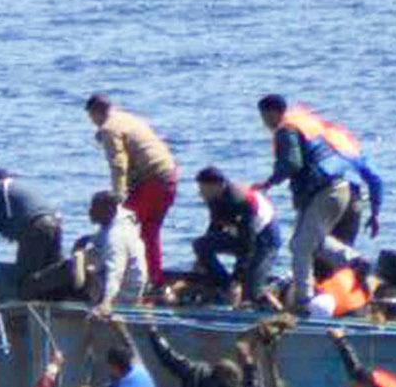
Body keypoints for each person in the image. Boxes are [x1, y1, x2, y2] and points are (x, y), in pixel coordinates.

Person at [256, 94, 382, 305]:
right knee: (312, 242)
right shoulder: (335, 143)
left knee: (301, 246)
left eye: (264, 117)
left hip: (327, 192)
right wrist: (375, 212)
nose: (264, 123)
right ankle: (353, 270)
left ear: (271, 113)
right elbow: (374, 177)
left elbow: (292, 164)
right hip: (349, 196)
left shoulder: (286, 131)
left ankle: (304, 301)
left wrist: (269, 182)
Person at [86, 93, 180, 282]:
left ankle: (123, 279)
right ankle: (154, 278)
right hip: (168, 177)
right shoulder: (128, 119)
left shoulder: (109, 128)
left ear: (95, 113)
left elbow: (119, 164)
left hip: (153, 181)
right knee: (149, 231)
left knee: (122, 225)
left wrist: (118, 196)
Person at [0, 167, 67, 302]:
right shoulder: (21, 187)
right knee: (52, 278)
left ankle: (25, 318)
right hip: (55, 224)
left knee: (26, 285)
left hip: (35, 227)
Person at [189, 170, 282, 306]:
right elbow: (215, 227)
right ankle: (224, 285)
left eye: (203, 189)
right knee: (201, 245)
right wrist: (201, 262)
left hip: (265, 238)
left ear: (217, 186)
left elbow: (247, 245)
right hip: (241, 235)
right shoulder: (213, 198)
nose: (201, 194)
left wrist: (237, 279)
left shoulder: (240, 201)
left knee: (252, 292)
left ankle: (268, 300)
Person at [75, 190, 148, 315]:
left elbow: (115, 271)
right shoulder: (119, 220)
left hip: (125, 288)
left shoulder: (116, 237)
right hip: (128, 279)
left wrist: (107, 301)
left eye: (94, 208)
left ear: (108, 210)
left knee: (77, 262)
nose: (90, 212)